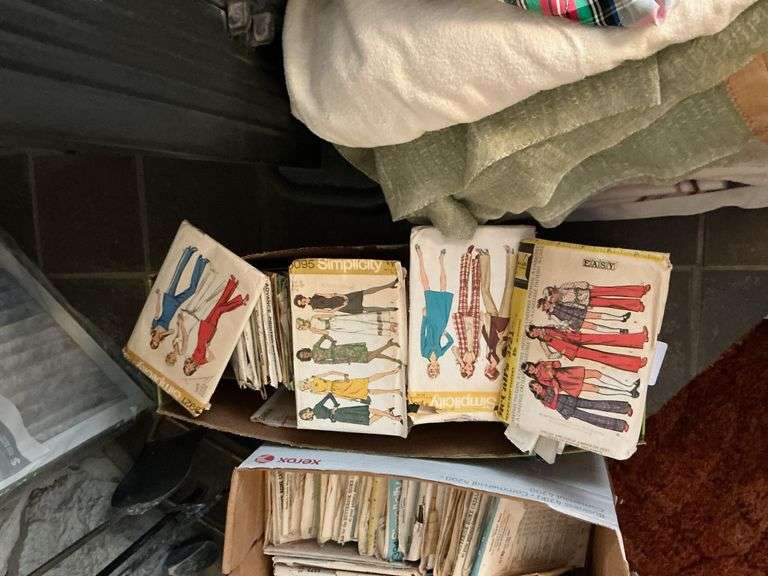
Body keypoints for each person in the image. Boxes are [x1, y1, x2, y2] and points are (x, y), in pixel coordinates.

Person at [183, 275, 249, 375]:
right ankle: (241, 302)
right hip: (208, 334)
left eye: (186, 367)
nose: (188, 367)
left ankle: (232, 284)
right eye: (189, 370)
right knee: (219, 310)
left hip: (201, 332)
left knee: (218, 305)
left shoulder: (192, 358)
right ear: (193, 370)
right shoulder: (200, 363)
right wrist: (207, 348)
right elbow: (212, 358)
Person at [150, 246, 208, 349]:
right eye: (157, 343)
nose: (156, 340)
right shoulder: (164, 334)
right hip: (175, 305)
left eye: (154, 341)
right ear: (158, 342)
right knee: (192, 289)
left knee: (177, 275)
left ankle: (188, 252)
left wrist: (159, 296)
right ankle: (201, 262)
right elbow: (172, 331)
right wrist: (162, 334)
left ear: (152, 339)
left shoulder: (154, 326)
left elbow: (157, 311)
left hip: (167, 301)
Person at [526, 325, 648, 373]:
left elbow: (561, 326)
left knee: (605, 338)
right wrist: (560, 353)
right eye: (533, 335)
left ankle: (641, 338)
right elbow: (549, 355)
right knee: (603, 357)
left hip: (576, 337)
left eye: (533, 330)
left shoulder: (547, 326)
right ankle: (636, 364)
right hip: (572, 350)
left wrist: (566, 328)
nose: (535, 333)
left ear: (534, 328)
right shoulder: (542, 342)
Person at [529, 380, 631, 433]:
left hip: (569, 400)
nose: (538, 387)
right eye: (535, 388)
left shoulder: (547, 387)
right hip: (566, 410)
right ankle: (621, 425)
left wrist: (555, 386)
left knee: (595, 404)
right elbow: (553, 406)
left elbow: (556, 384)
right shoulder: (542, 399)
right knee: (591, 418)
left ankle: (625, 408)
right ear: (535, 392)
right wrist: (555, 394)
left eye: (537, 385)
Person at [414, 244, 454, 379]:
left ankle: (420, 256)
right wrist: (445, 332)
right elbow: (451, 342)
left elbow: (422, 334)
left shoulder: (424, 353)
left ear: (428, 368)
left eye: (431, 370)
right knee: (443, 288)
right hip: (441, 322)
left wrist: (424, 317)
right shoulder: (440, 353)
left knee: (426, 288)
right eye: (435, 370)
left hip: (430, 320)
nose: (433, 368)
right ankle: (441, 260)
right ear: (438, 368)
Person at [478, 245, 514, 380]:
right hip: (503, 323)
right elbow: (509, 340)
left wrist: (483, 323)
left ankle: (484, 255)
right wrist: (503, 336)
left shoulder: (487, 357)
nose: (486, 370)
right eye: (487, 372)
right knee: (508, 289)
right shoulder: (502, 357)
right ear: (492, 371)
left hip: (492, 321)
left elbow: (488, 339)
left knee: (484, 290)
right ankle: (511, 255)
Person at [521, 361, 639, 398]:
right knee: (594, 388)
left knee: (596, 373)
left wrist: (551, 365)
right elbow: (554, 386)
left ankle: (628, 387)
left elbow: (557, 363)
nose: (531, 369)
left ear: (531, 364)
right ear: (528, 373)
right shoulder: (539, 379)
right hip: (567, 383)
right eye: (529, 370)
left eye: (530, 366)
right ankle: (628, 393)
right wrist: (552, 377)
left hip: (568, 372)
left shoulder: (541, 364)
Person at [451, 246, 481, 378]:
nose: (469, 368)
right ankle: (476, 261)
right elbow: (478, 338)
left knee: (463, 287)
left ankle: (467, 256)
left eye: (466, 370)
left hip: (462, 320)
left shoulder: (461, 356)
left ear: (463, 368)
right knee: (476, 289)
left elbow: (453, 348)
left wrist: (461, 361)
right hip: (474, 320)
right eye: (470, 370)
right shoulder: (476, 356)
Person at [293, 279, 399, 314]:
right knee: (364, 309)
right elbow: (330, 311)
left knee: (364, 292)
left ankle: (389, 285)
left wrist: (343, 296)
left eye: (301, 300)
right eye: (301, 303)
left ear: (302, 297)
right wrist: (342, 306)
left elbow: (331, 294)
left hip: (339, 298)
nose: (303, 302)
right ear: (303, 305)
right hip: (340, 307)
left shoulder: (316, 294)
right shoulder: (314, 309)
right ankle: (388, 309)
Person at [298, 393, 403, 426]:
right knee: (368, 422)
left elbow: (329, 395)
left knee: (367, 411)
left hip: (340, 412)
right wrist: (332, 419)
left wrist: (335, 405)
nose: (308, 416)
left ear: (307, 411)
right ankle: (387, 412)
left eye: (306, 414)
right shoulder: (316, 416)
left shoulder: (316, 407)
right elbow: (328, 415)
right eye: (307, 418)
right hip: (340, 418)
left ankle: (393, 417)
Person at [300, 368, 401, 401]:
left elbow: (330, 372)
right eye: (304, 388)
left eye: (304, 385)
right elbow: (329, 394)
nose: (306, 387)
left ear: (305, 382)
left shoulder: (314, 377)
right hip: (338, 392)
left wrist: (343, 374)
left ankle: (392, 372)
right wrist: (346, 398)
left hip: (340, 384)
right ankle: (394, 391)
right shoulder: (313, 391)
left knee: (367, 380)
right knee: (368, 392)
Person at [296, 334, 401, 366]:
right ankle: (390, 351)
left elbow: (324, 336)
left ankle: (389, 346)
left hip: (342, 349)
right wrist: (344, 361)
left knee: (367, 357)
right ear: (305, 359)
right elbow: (332, 362)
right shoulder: (316, 361)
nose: (305, 355)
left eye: (303, 353)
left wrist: (332, 340)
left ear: (305, 350)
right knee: (369, 356)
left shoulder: (315, 347)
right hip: (342, 357)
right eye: (304, 357)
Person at [537, 297, 630, 333]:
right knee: (594, 326)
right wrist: (568, 326)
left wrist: (583, 306)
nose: (546, 306)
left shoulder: (557, 302)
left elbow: (570, 304)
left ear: (546, 301)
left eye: (545, 304)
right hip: (574, 322)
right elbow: (561, 323)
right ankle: (619, 331)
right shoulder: (551, 315)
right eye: (544, 307)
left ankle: (621, 318)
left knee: (598, 315)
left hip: (577, 312)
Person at [545, 282, 650, 313]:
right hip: (587, 302)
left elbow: (576, 284)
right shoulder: (561, 302)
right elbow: (573, 305)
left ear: (553, 291)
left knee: (613, 290)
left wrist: (587, 285)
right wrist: (585, 307)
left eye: (552, 297)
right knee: (610, 303)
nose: (553, 300)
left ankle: (641, 290)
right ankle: (637, 306)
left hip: (589, 291)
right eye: (551, 300)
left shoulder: (563, 287)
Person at [295, 311, 398, 337]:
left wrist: (334, 318)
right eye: (303, 329)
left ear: (303, 322)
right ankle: (388, 328)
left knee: (362, 319)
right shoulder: (312, 330)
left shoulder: (313, 317)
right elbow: (326, 332)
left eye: (303, 326)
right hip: (336, 328)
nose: (304, 328)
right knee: (361, 327)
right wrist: (316, 330)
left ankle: (389, 324)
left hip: (336, 321)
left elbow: (329, 315)